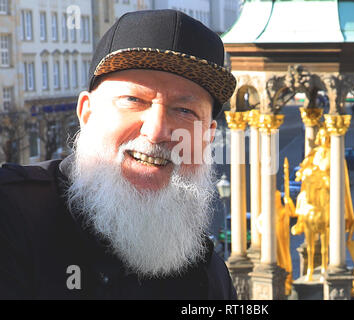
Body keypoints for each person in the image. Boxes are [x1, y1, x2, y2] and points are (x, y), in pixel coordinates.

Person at [0, 9, 237, 299]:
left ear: (208, 136)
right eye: (133, 100)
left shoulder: (207, 275)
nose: (157, 130)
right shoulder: (12, 214)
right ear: (87, 113)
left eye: (185, 110)